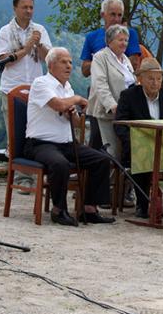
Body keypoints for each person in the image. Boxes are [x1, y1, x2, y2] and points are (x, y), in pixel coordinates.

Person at [23, 47, 115, 226]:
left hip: (66, 144)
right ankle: (59, 210)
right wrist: (78, 99)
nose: (69, 66)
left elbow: (76, 123)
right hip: (40, 144)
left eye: (70, 62)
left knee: (102, 160)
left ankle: (89, 208)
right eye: (63, 62)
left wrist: (72, 114)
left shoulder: (67, 88)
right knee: (60, 164)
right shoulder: (41, 83)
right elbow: (58, 104)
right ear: (51, 65)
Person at [115, 58, 163, 219]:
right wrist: (134, 143)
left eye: (158, 79)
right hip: (138, 147)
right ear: (140, 79)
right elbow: (120, 125)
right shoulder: (128, 96)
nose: (155, 83)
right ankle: (142, 205)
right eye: (150, 79)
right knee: (142, 155)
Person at [0, 0, 52, 194]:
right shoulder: (5, 31)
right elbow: (4, 60)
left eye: (31, 7)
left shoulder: (40, 30)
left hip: (35, 90)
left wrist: (39, 44)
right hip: (11, 89)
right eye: (24, 7)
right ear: (15, 9)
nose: (28, 11)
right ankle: (21, 178)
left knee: (36, 134)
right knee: (15, 135)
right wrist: (27, 47)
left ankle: (35, 175)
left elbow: (49, 59)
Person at [80, 0, 142, 151]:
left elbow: (134, 63)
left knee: (123, 147)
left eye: (119, 15)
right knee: (100, 144)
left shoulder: (129, 38)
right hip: (103, 102)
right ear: (103, 15)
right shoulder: (93, 39)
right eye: (112, 14)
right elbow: (86, 71)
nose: (116, 19)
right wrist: (102, 63)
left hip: (124, 102)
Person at [87, 25, 136, 207]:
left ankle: (122, 192)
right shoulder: (100, 57)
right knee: (111, 153)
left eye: (126, 40)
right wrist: (112, 105)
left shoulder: (126, 60)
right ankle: (103, 194)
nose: (124, 43)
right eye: (120, 40)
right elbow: (100, 85)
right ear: (109, 41)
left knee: (126, 152)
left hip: (125, 114)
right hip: (106, 113)